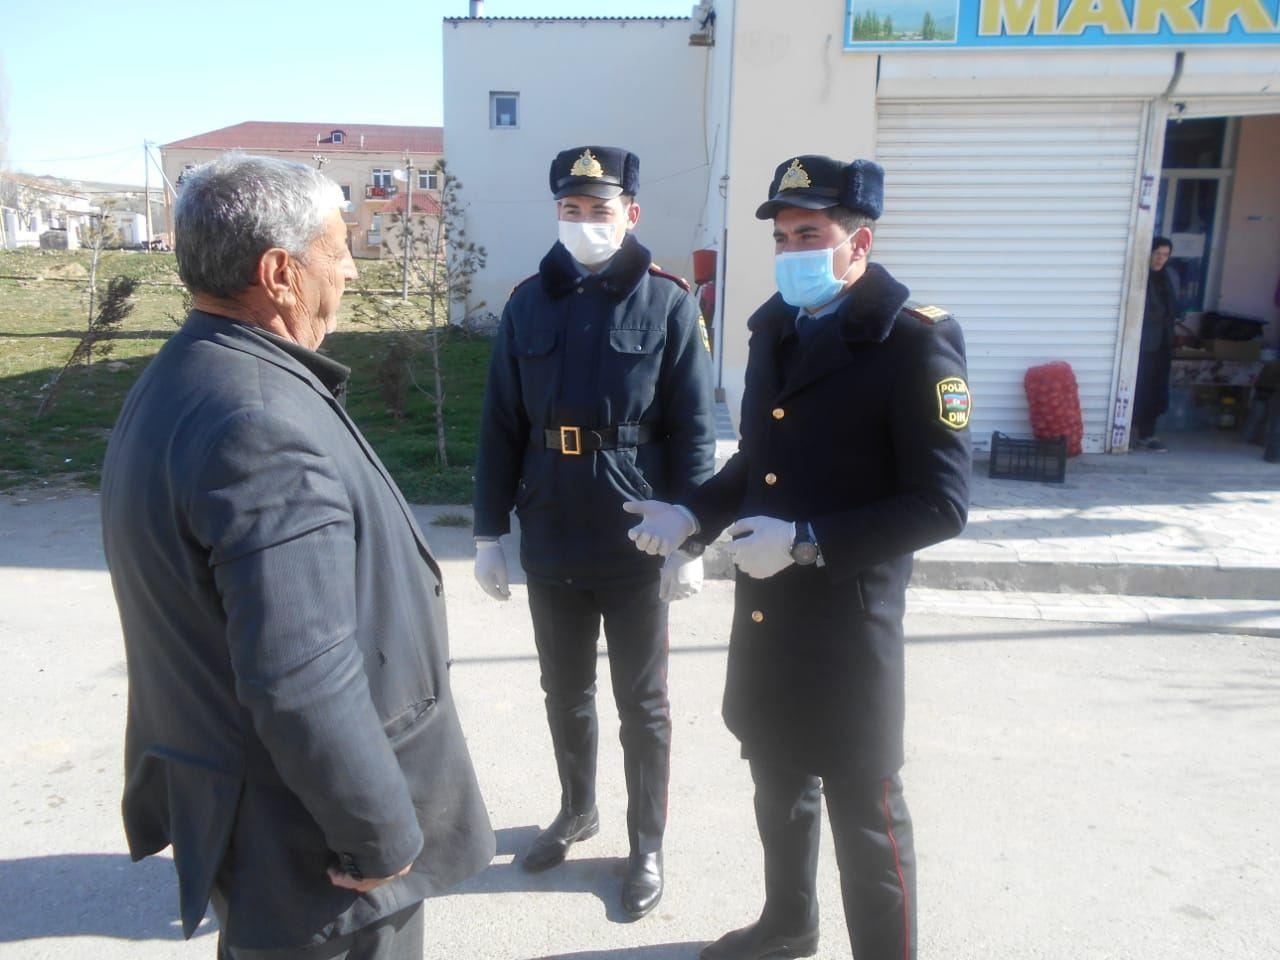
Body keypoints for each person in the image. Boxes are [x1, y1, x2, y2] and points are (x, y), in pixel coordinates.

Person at [101, 154, 494, 958]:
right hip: (319, 853)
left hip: (260, 811)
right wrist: (378, 833)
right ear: (281, 272)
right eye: (339, 246)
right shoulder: (257, 422)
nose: (350, 269)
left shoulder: (192, 372)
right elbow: (299, 672)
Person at [624, 155, 971, 960]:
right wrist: (692, 513)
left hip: (849, 620)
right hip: (767, 606)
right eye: (781, 237)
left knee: (867, 813)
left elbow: (942, 504)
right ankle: (789, 924)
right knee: (777, 783)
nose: (791, 251)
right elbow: (760, 464)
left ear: (859, 242)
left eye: (808, 233)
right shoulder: (775, 325)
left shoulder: (913, 341)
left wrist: (810, 543)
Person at [472, 145, 716, 919]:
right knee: (564, 692)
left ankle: (646, 843)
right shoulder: (526, 304)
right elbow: (501, 427)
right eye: (571, 211)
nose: (584, 224)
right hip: (550, 531)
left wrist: (692, 538)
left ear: (631, 214)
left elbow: (692, 432)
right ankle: (577, 810)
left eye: (599, 210)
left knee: (642, 704)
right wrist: (487, 533)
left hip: (637, 536)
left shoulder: (668, 303)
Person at [1133, 236, 1181, 452]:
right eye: (1157, 254)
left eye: (1165, 255)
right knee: (1138, 388)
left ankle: (1147, 434)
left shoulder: (1169, 277)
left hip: (1162, 343)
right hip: (1142, 344)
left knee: (1155, 389)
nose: (1160, 259)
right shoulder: (1141, 275)